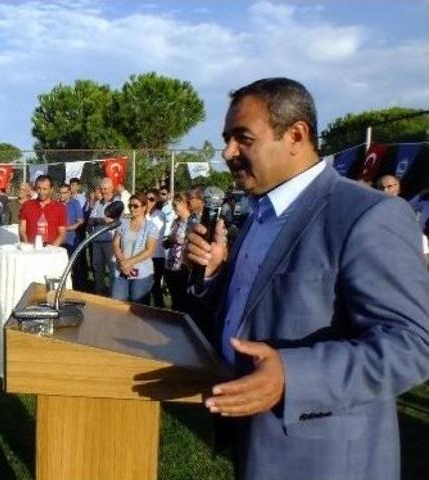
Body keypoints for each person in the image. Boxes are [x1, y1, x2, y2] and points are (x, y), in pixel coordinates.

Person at [184, 78, 429, 480]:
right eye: (227, 139)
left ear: (296, 134)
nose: (228, 152)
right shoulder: (260, 213)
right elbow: (256, 305)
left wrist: (292, 375)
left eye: (242, 138)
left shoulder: (367, 215)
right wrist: (215, 275)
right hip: (254, 438)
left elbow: (411, 344)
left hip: (324, 458)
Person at [111, 193, 159, 303]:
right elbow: (115, 244)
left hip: (142, 272)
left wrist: (130, 262)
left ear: (144, 207)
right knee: (116, 302)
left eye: (135, 206)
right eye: (130, 206)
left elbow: (149, 251)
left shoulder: (151, 227)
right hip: (122, 269)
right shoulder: (123, 223)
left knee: (138, 305)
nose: (132, 208)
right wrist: (123, 262)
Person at [88, 177, 121, 295]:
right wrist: (102, 220)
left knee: (112, 269)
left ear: (112, 188)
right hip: (97, 240)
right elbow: (91, 220)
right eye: (101, 188)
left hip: (110, 241)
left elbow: (115, 221)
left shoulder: (117, 202)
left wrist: (98, 220)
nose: (103, 191)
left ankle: (114, 294)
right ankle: (99, 292)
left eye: (105, 188)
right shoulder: (98, 202)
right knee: (97, 268)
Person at [162, 193, 193, 320]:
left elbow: (191, 242)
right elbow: (171, 239)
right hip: (171, 265)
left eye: (177, 204)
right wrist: (170, 240)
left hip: (183, 267)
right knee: (174, 300)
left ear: (185, 204)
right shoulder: (176, 221)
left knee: (183, 302)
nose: (174, 207)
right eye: (173, 204)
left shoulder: (193, 221)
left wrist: (180, 240)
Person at [19, 175, 66, 246]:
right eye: (39, 188)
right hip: (30, 250)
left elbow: (62, 233)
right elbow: (22, 230)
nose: (41, 192)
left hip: (51, 250)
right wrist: (28, 246)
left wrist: (51, 249)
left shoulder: (60, 207)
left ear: (51, 189)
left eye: (45, 189)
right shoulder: (27, 205)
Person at [58, 183, 85, 287]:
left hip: (71, 238)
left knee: (74, 264)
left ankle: (78, 286)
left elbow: (80, 220)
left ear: (69, 193)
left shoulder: (75, 203)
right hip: (59, 239)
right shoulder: (57, 204)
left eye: (64, 193)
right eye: (60, 193)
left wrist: (70, 228)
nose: (62, 195)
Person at [144, 188, 167, 308]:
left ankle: (159, 310)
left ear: (157, 200)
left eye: (151, 199)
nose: (148, 201)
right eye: (146, 198)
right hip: (143, 255)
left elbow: (152, 233)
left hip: (156, 256)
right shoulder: (143, 214)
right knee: (144, 286)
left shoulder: (160, 215)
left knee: (155, 286)